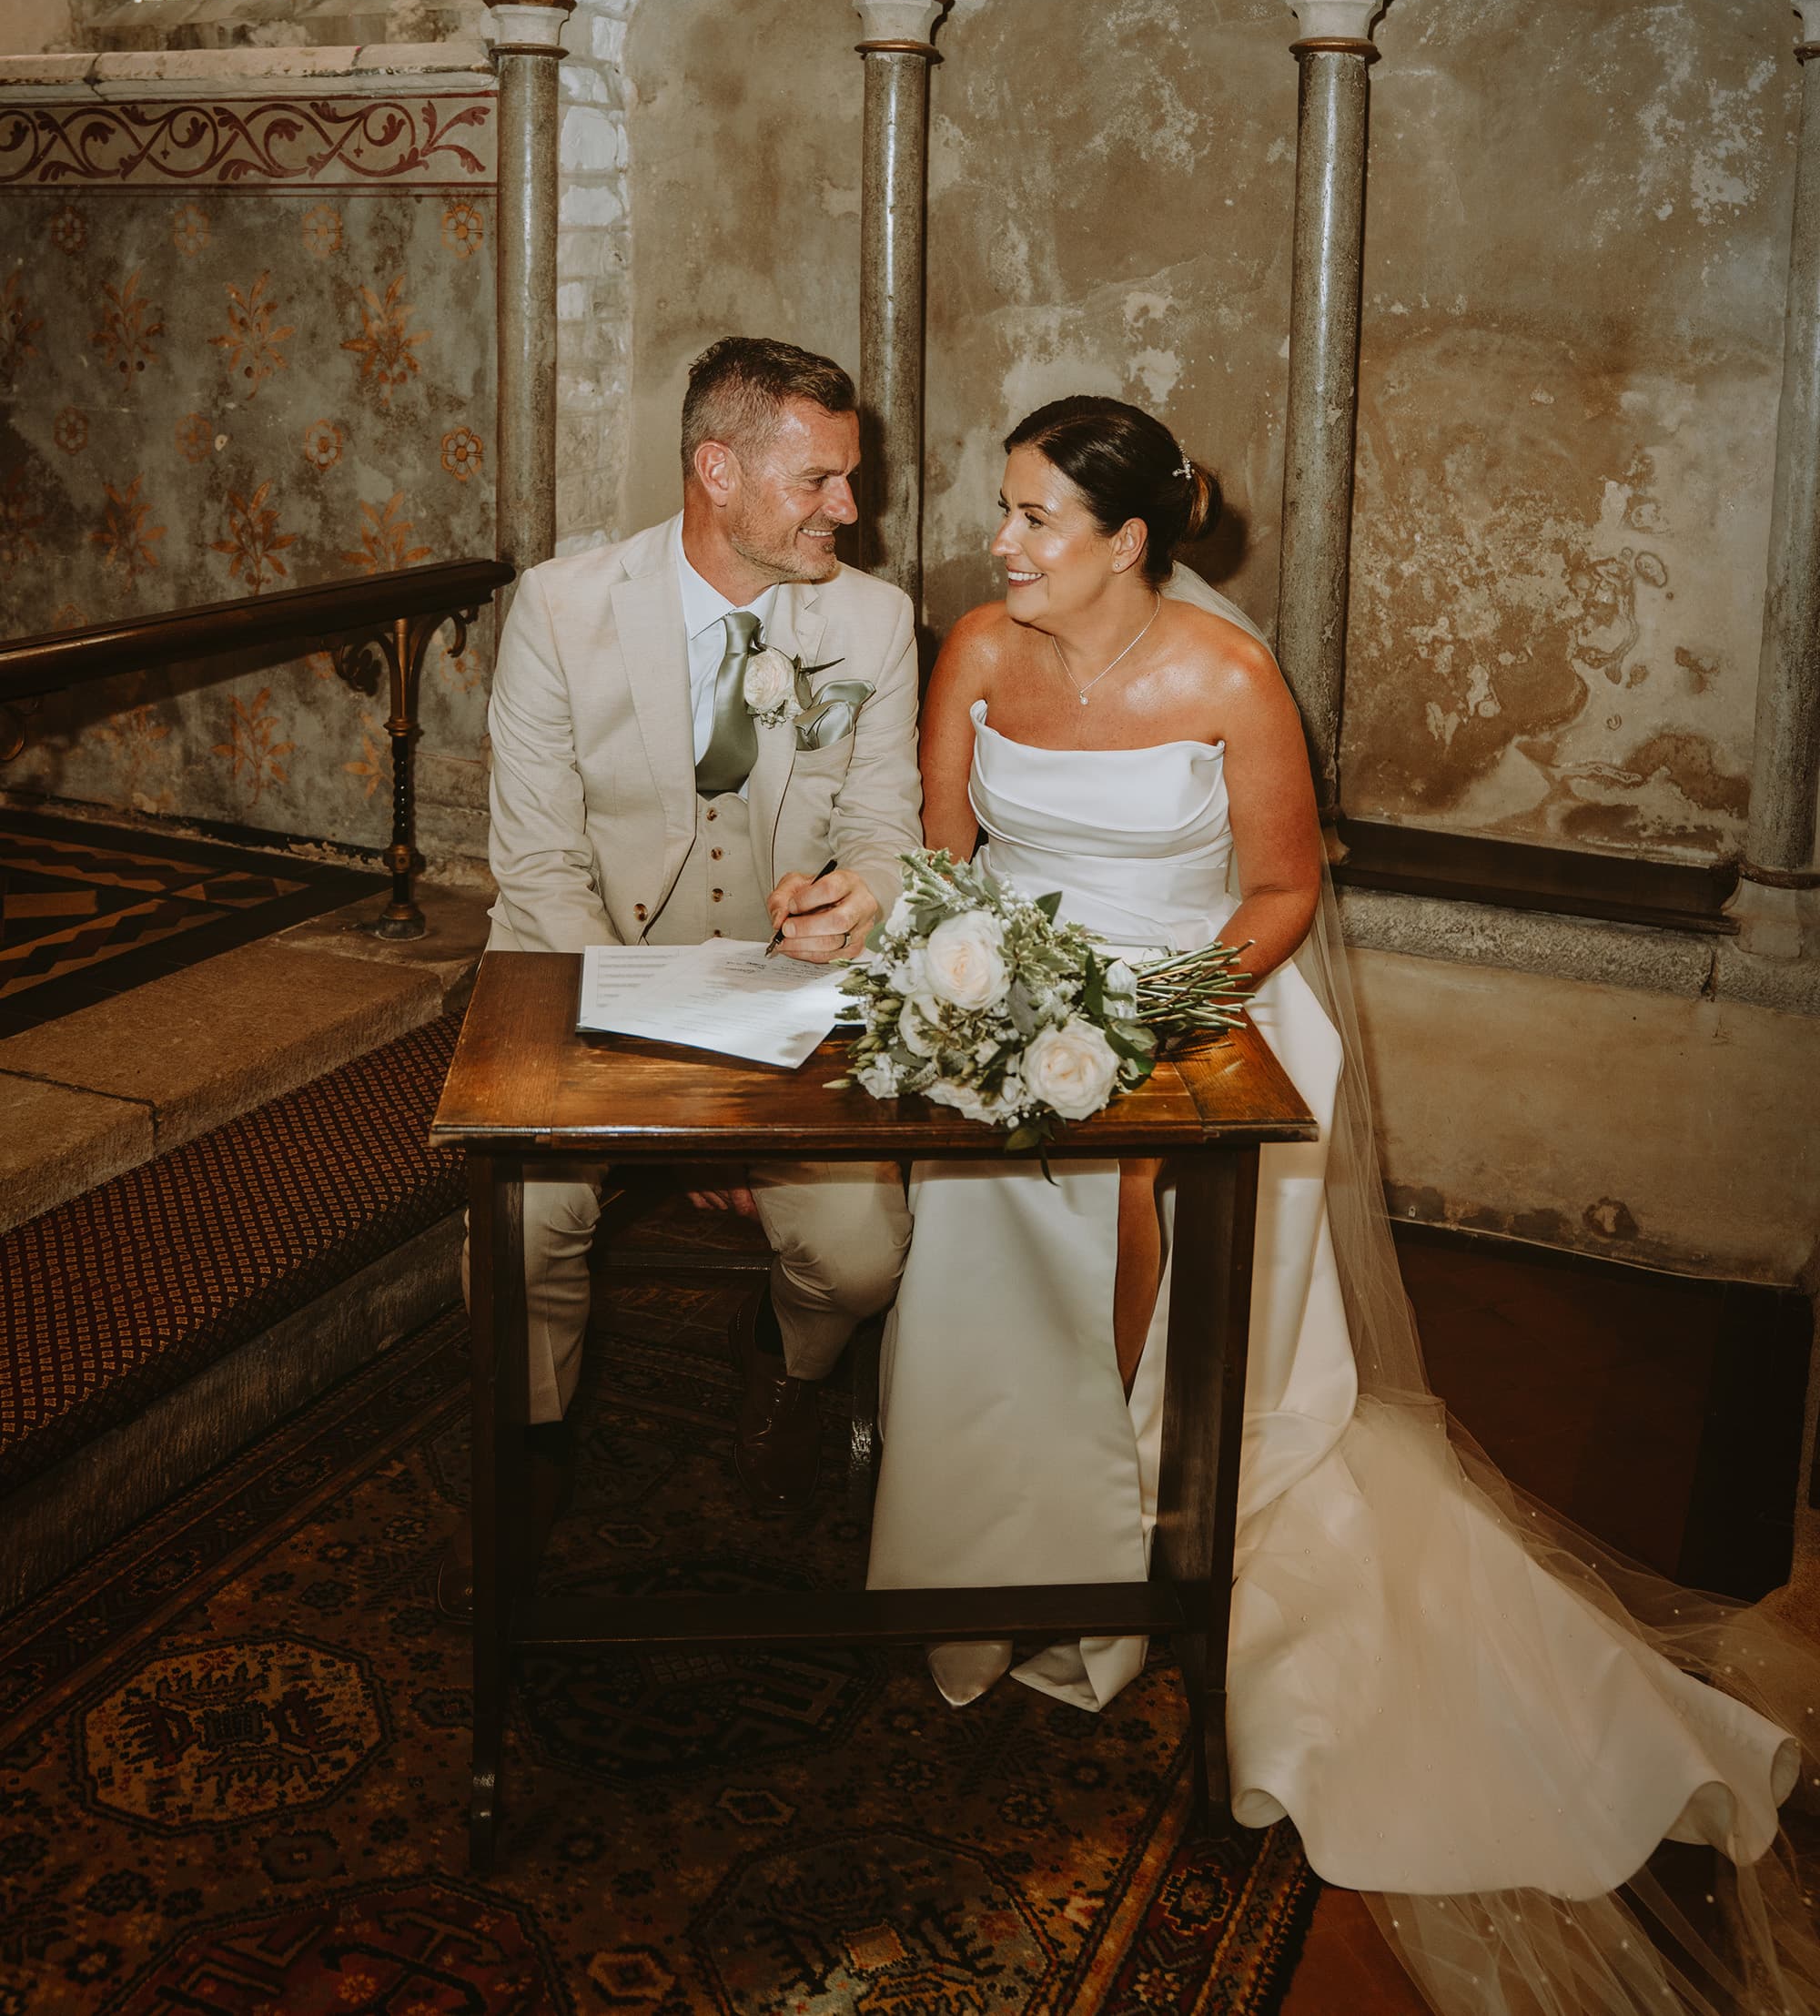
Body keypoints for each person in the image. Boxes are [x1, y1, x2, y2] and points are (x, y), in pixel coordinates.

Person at [867, 393, 1820, 2016]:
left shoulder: (1229, 679)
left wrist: (1145, 1019)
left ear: (1128, 542)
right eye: (1004, 510)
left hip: (1202, 1004)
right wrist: (963, 983)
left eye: (1035, 518)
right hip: (1013, 1009)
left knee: (1130, 1198)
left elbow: (1283, 890)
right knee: (991, 1219)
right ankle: (1001, 1517)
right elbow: (946, 858)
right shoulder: (973, 651)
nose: (1000, 543)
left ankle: (1137, 1514)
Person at [439, 337, 920, 1614]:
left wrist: (860, 896)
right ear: (718, 469)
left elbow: (886, 832)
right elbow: (539, 868)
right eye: (818, 480)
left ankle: (787, 1356)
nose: (849, 507)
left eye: (848, 477)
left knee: (860, 1259)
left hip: (781, 995)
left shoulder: (873, 622)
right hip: (578, 983)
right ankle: (531, 1444)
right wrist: (683, 1091)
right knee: (521, 1224)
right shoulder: (561, 608)